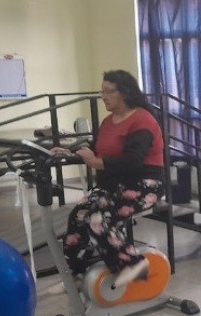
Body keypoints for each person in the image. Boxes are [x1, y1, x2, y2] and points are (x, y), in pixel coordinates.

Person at [51, 70, 164, 288]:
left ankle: (134, 265)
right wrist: (70, 153)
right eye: (102, 92)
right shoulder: (107, 122)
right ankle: (76, 275)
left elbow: (134, 160)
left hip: (144, 185)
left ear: (125, 93)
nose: (103, 96)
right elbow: (97, 150)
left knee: (100, 219)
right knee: (79, 215)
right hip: (113, 184)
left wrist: (95, 163)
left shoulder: (143, 119)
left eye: (108, 91)